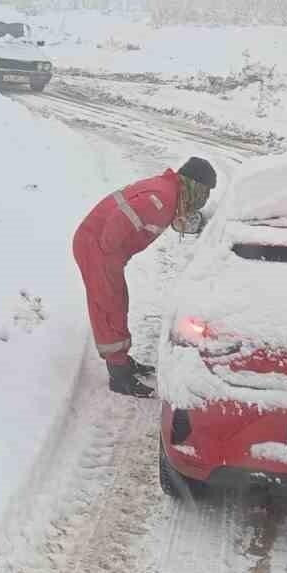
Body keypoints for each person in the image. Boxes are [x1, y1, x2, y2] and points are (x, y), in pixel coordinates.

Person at [72, 157, 218, 397]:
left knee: (117, 302)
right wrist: (112, 255)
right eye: (205, 193)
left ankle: (121, 361)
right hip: (96, 248)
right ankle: (118, 376)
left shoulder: (169, 193)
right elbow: (117, 226)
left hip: (101, 250)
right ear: (195, 186)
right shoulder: (162, 198)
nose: (204, 200)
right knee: (109, 307)